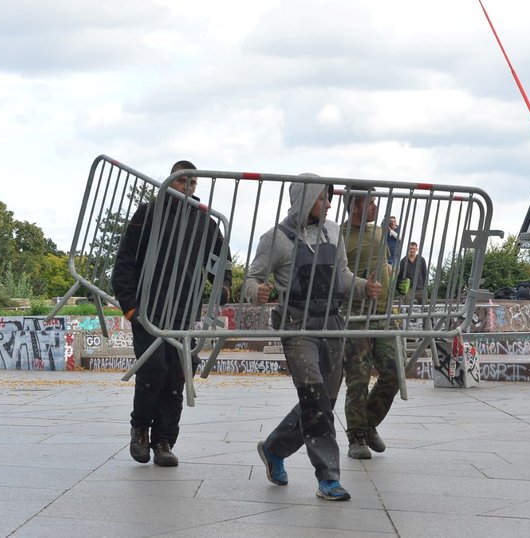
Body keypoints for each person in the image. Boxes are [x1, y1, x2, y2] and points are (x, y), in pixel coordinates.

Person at [243, 174, 382, 502]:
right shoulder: (274, 239)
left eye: (330, 197)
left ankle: (273, 448)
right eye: (323, 198)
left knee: (321, 403)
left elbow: (343, 277)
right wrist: (257, 292)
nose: (331, 203)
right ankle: (329, 479)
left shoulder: (333, 232)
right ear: (304, 199)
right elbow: (252, 278)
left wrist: (364, 287)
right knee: (316, 401)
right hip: (298, 329)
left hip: (332, 325)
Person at [112, 161, 232, 468]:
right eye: (182, 181)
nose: (188, 187)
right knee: (153, 369)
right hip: (147, 312)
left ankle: (164, 441)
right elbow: (124, 261)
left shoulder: (205, 221)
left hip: (182, 313)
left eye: (193, 183)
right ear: (171, 180)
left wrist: (223, 290)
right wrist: (130, 306)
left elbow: (221, 263)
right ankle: (140, 429)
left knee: (178, 373)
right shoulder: (148, 213)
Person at [342, 189, 399, 460]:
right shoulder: (340, 236)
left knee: (394, 372)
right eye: (370, 203)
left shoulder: (378, 233)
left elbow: (385, 264)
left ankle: (367, 424)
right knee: (358, 378)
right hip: (355, 316)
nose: (376, 208)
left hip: (384, 315)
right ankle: (356, 437)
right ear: (354, 206)